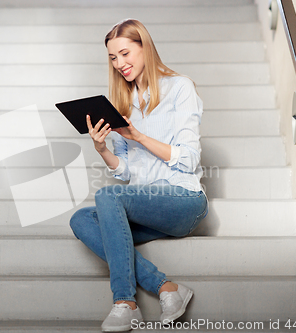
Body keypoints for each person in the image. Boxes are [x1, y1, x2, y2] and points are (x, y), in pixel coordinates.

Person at [69, 19, 208, 332]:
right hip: (145, 206)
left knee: (106, 196)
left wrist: (139, 136)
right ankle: (166, 288)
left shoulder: (179, 88)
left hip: (183, 200)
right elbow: (127, 172)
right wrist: (102, 148)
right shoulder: (121, 104)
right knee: (80, 220)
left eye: (125, 53)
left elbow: (189, 158)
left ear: (144, 47)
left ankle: (125, 302)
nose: (120, 63)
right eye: (113, 58)